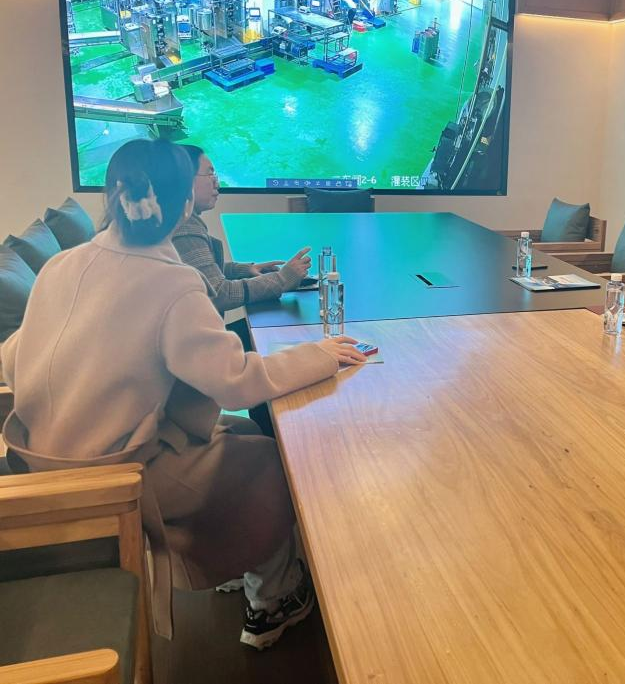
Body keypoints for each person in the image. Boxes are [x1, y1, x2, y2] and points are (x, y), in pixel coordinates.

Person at [1, 139, 369, 649]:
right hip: (115, 472)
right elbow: (237, 380)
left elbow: (11, 360)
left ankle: (236, 564)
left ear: (111, 197)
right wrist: (322, 355)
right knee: (270, 461)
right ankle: (274, 600)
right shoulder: (171, 281)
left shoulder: (61, 267)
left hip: (37, 460)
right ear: (183, 206)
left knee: (241, 428)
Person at [172, 145, 311, 313]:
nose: (217, 183)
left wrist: (242, 270)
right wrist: (282, 279)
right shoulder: (184, 226)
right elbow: (218, 294)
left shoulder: (175, 217)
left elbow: (197, 273)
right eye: (210, 175)